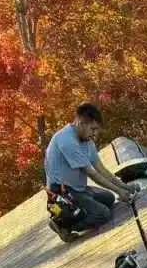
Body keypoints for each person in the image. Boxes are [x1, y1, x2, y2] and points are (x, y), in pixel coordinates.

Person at [44, 102, 135, 243]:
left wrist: (124, 187)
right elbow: (92, 174)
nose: (95, 133)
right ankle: (63, 226)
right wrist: (120, 192)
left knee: (109, 198)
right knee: (103, 214)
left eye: (97, 129)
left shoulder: (86, 140)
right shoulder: (67, 141)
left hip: (78, 188)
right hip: (62, 194)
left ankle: (80, 211)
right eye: (93, 128)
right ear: (81, 123)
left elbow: (101, 169)